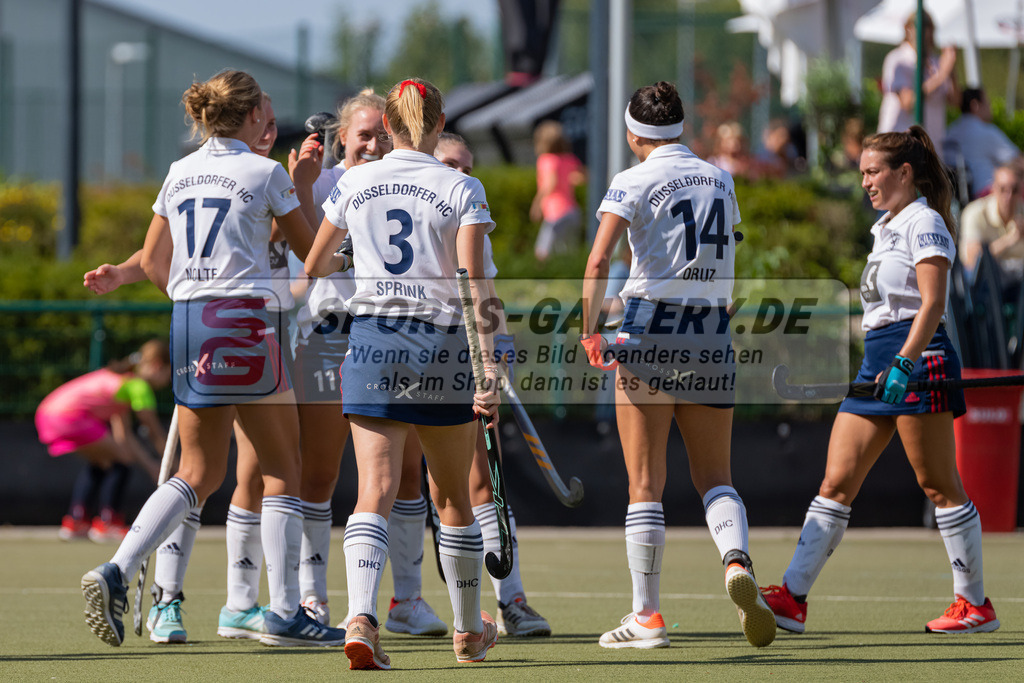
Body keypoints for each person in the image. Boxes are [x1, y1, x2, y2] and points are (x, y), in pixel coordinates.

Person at [80, 69, 347, 648]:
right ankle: (282, 614)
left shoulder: (179, 172)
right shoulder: (266, 170)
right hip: (248, 323)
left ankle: (118, 568)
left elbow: (155, 263)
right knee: (282, 469)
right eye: (267, 117)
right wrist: (330, 224)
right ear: (252, 117)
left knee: (196, 473)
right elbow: (313, 258)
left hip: (189, 322)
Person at [760, 125, 1000, 636]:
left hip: (918, 357)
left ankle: (974, 604)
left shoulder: (925, 222)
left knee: (939, 484)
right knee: (836, 482)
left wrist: (906, 363)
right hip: (877, 360)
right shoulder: (885, 227)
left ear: (904, 173)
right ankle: (793, 598)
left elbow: (932, 304)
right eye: (863, 172)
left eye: (873, 172)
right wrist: (886, 363)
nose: (865, 181)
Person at [306, 77, 500, 668]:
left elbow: (316, 264)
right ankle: (468, 631)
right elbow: (474, 283)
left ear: (387, 127)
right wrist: (489, 367)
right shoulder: (462, 185)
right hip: (441, 348)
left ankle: (361, 616)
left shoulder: (355, 182)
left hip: (373, 342)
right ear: (438, 125)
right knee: (455, 502)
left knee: (374, 491)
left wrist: (355, 256)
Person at [580, 81, 775, 650]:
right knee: (717, 478)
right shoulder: (720, 176)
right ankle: (735, 560)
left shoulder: (632, 180)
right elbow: (729, 250)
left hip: (649, 327)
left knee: (646, 483)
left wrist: (590, 329)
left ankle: (647, 618)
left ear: (633, 132)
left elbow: (599, 259)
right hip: (711, 328)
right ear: (681, 127)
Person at [434, 131, 552, 636]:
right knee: (411, 491)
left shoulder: (471, 225)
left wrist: (499, 354)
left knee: (484, 482)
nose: (461, 176)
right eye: (449, 165)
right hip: (413, 365)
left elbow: (488, 297)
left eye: (466, 166)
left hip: (467, 365)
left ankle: (512, 599)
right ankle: (415, 603)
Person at [36, 340, 169, 542]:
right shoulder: (138, 386)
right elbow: (155, 433)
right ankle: (108, 523)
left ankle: (76, 521)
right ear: (158, 365)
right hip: (69, 416)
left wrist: (151, 466)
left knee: (104, 461)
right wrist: (175, 466)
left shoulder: (123, 381)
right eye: (170, 372)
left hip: (47, 414)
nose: (170, 380)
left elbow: (124, 438)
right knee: (122, 461)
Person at [877, 11, 957, 145]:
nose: (926, 32)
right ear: (908, 29)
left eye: (929, 26)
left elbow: (955, 102)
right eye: (922, 25)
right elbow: (908, 102)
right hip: (900, 143)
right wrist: (942, 74)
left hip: (931, 145)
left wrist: (951, 69)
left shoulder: (936, 62)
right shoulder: (897, 59)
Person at [958, 163, 1024, 295]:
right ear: (993, 188)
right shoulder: (975, 212)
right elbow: (973, 262)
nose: (1008, 196)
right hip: (986, 285)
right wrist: (1010, 240)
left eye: (1014, 189)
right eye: (1003, 189)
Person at [945, 88, 1021, 199]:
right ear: (975, 105)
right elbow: (1017, 159)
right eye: (987, 103)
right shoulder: (985, 131)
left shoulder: (950, 131)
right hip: (987, 194)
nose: (990, 107)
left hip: (956, 199)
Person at [530, 120, 585, 262]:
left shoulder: (546, 160)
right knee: (568, 254)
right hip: (573, 211)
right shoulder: (570, 159)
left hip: (555, 213)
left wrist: (536, 205)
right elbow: (581, 177)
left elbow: (550, 183)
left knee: (542, 252)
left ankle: (542, 282)